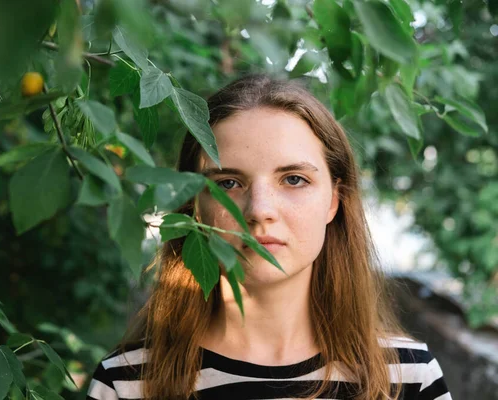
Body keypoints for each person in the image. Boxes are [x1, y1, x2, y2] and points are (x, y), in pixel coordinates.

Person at [86, 74, 452, 400]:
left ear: (334, 201)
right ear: (194, 204)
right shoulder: (129, 383)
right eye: (228, 183)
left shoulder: (408, 379)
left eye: (294, 179)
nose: (259, 210)